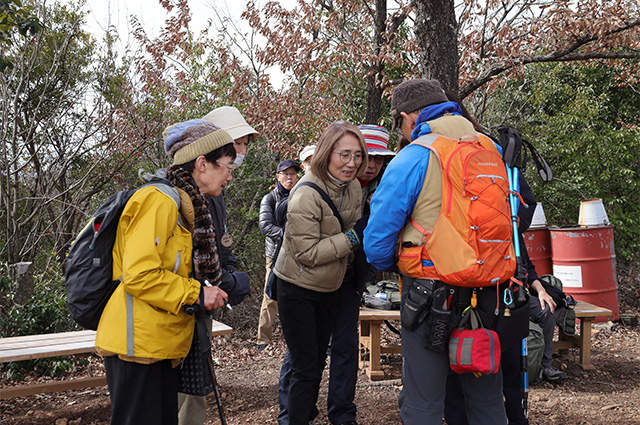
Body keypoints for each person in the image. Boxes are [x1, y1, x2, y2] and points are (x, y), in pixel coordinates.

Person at [363, 78, 509, 425]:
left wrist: (392, 264)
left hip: (429, 293)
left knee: (423, 400)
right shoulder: (490, 148)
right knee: (486, 394)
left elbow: (377, 239)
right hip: (487, 291)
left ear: (407, 117)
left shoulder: (416, 154)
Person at [95, 120, 238, 425]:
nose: (230, 175)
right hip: (136, 347)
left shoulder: (189, 207)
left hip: (160, 345)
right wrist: (197, 293)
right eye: (227, 165)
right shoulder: (159, 201)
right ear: (202, 164)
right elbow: (139, 274)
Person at [273, 121, 368, 425]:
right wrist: (354, 239)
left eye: (357, 155)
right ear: (327, 154)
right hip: (297, 288)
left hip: (330, 287)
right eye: (344, 155)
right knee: (305, 367)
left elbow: (353, 224)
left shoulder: (352, 187)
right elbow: (307, 253)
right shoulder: (305, 195)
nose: (351, 163)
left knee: (317, 362)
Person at [178, 106, 258, 425]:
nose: (241, 152)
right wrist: (230, 283)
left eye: (244, 144)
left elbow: (219, 244)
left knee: (194, 391)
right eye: (237, 143)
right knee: (187, 396)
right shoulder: (191, 191)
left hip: (200, 304)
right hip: (185, 306)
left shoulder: (215, 189)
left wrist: (230, 275)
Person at [256, 159, 301, 352]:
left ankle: (296, 338)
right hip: (275, 254)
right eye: (285, 174)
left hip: (300, 254)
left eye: (293, 174)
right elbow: (265, 225)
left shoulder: (303, 194)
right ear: (278, 176)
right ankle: (263, 340)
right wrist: (287, 235)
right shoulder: (270, 198)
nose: (289, 177)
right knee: (270, 296)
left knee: (299, 295)